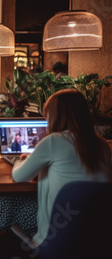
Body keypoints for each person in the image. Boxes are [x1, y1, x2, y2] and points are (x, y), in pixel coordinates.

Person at [12, 89, 112, 248]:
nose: (46, 120)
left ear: (57, 115)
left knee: (1, 206)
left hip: (55, 241)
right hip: (96, 242)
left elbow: (18, 176)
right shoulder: (103, 144)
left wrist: (20, 159)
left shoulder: (54, 141)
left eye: (47, 115)